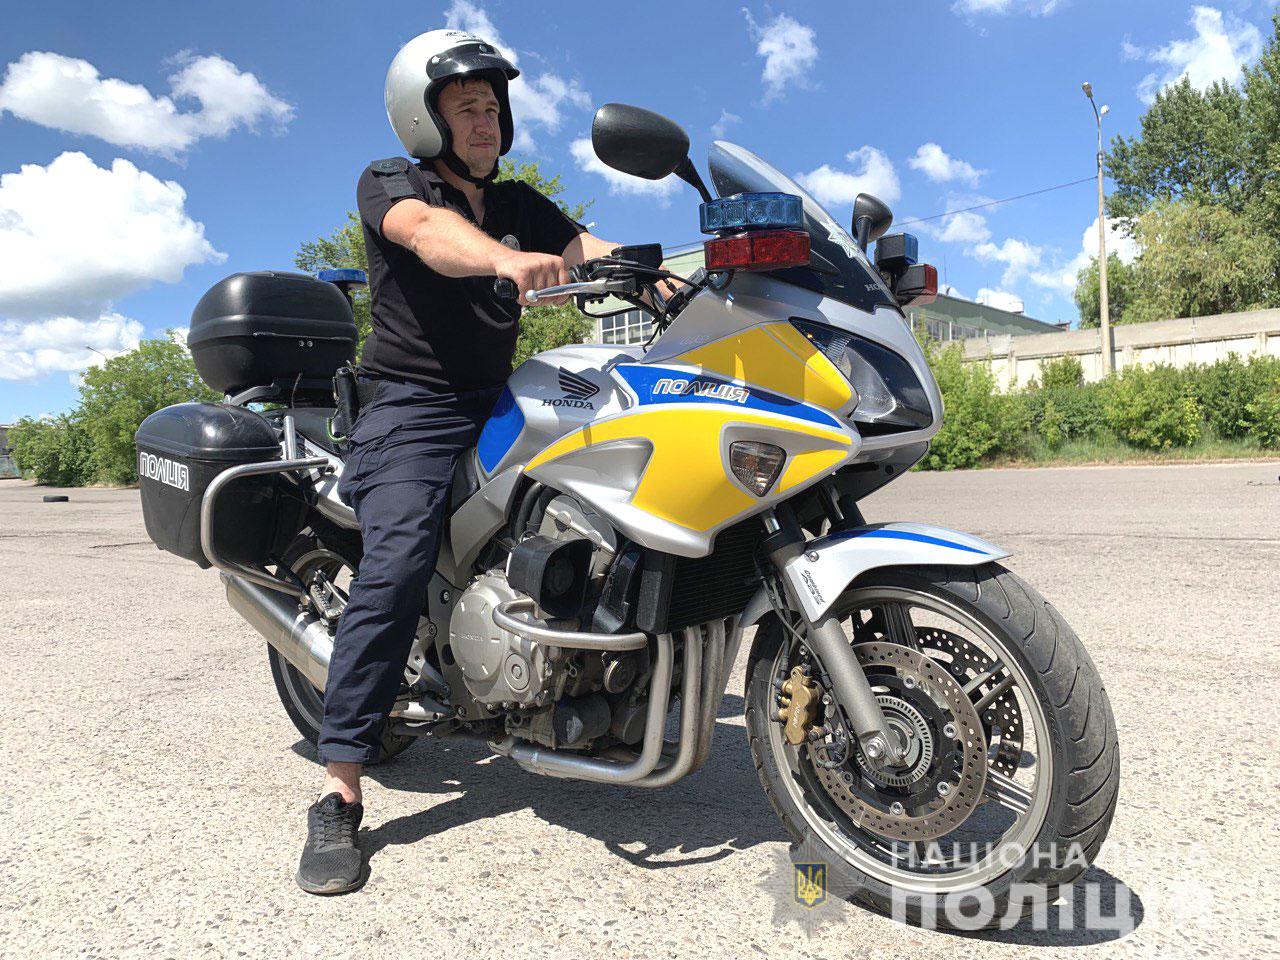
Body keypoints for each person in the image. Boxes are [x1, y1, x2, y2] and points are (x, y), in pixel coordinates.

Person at [296, 28, 623, 894]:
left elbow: (590, 248)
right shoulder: (391, 183)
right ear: (425, 118)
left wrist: (666, 278)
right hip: (410, 407)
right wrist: (507, 261)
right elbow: (430, 235)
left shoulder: (516, 200)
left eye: (493, 108)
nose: (486, 122)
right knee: (397, 560)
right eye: (467, 107)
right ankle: (340, 791)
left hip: (499, 395)